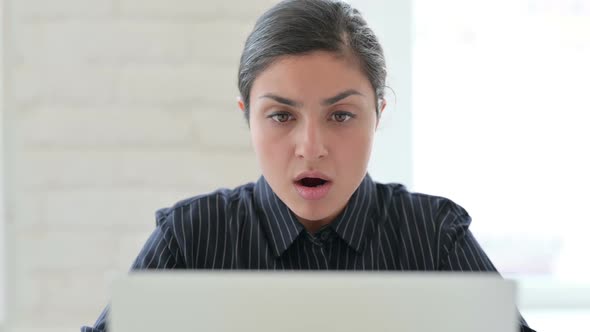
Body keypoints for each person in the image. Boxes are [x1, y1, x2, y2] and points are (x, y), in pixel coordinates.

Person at [81, 0, 535, 331]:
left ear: (378, 113)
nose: (311, 147)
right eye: (282, 116)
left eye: (340, 116)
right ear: (247, 116)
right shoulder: (190, 236)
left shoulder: (435, 236)